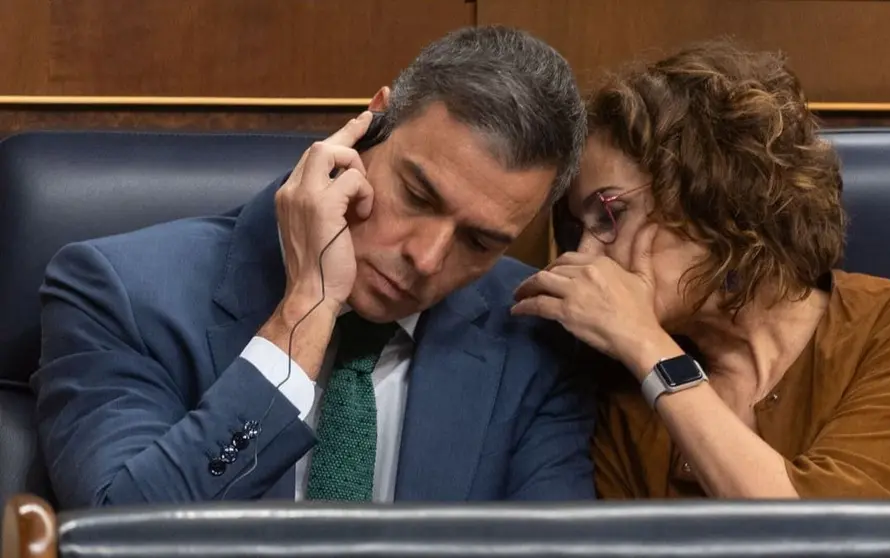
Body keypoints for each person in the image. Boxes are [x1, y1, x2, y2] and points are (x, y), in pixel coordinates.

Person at [32, 26, 594, 509]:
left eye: (478, 241)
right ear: (370, 126)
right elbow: (122, 534)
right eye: (418, 197)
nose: (426, 259)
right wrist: (306, 308)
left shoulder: (533, 339)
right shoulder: (120, 293)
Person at [513, 40, 890, 499]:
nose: (588, 255)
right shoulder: (622, 397)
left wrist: (648, 347)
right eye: (580, 230)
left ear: (712, 194)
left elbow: (832, 536)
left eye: (610, 214)